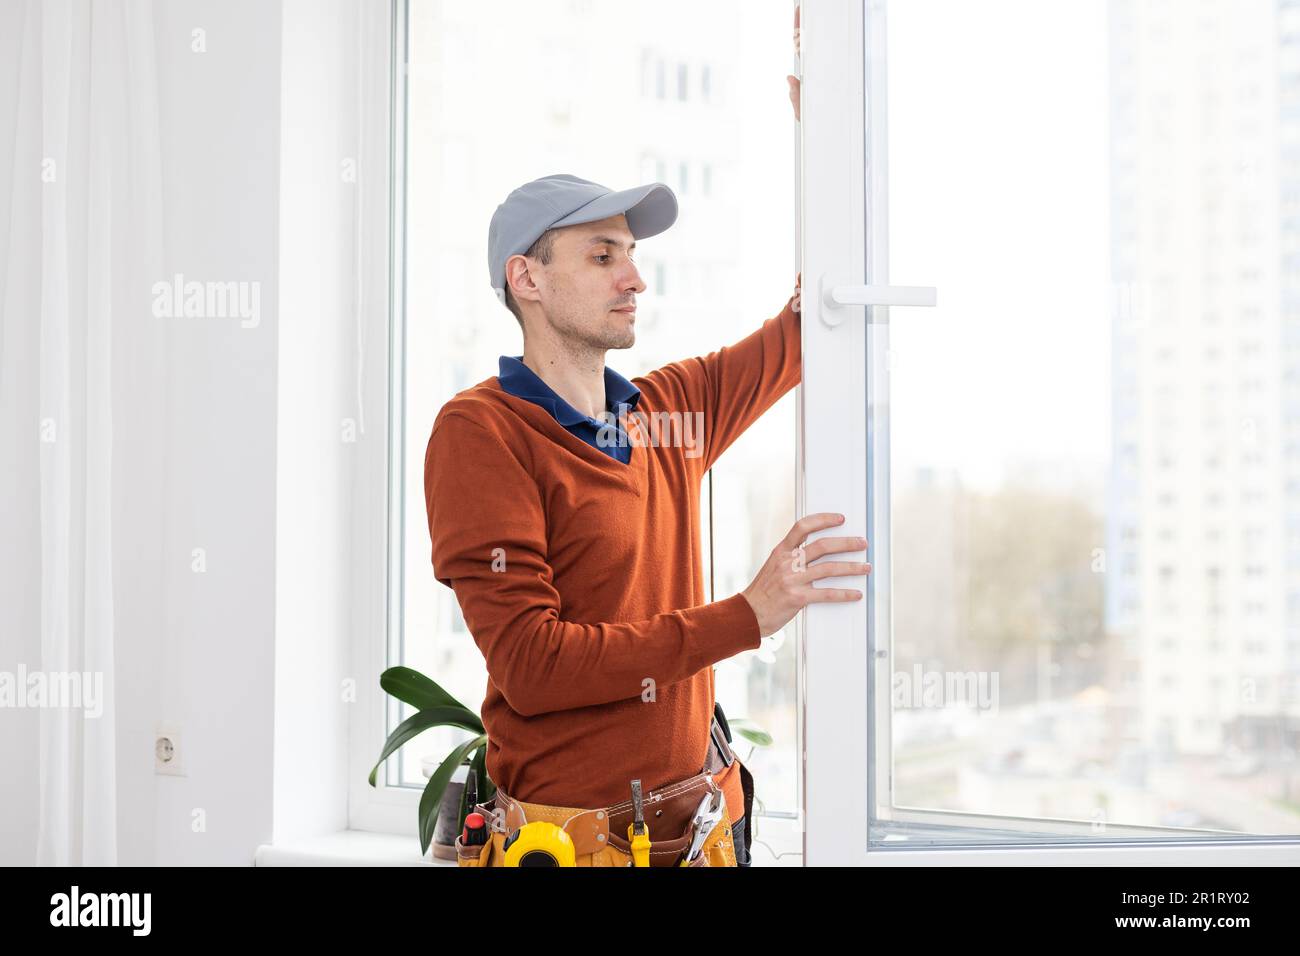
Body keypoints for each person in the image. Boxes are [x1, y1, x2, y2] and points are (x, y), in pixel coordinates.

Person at [424, 6, 870, 867]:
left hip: (701, 833)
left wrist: (826, 136)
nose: (635, 277)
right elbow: (535, 663)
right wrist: (747, 616)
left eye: (630, 253)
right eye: (602, 256)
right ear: (528, 279)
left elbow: (812, 320)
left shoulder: (669, 411)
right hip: (573, 848)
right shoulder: (481, 434)